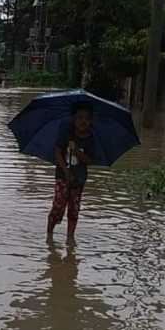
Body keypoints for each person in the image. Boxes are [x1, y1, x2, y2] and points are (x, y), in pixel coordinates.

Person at [47, 102, 96, 242]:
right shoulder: (66, 133)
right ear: (74, 118)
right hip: (62, 176)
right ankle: (49, 235)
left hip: (79, 180)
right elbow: (57, 153)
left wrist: (76, 151)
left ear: (91, 120)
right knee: (58, 207)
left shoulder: (91, 139)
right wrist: (66, 170)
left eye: (86, 118)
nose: (83, 121)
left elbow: (88, 161)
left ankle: (70, 239)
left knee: (74, 208)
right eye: (80, 117)